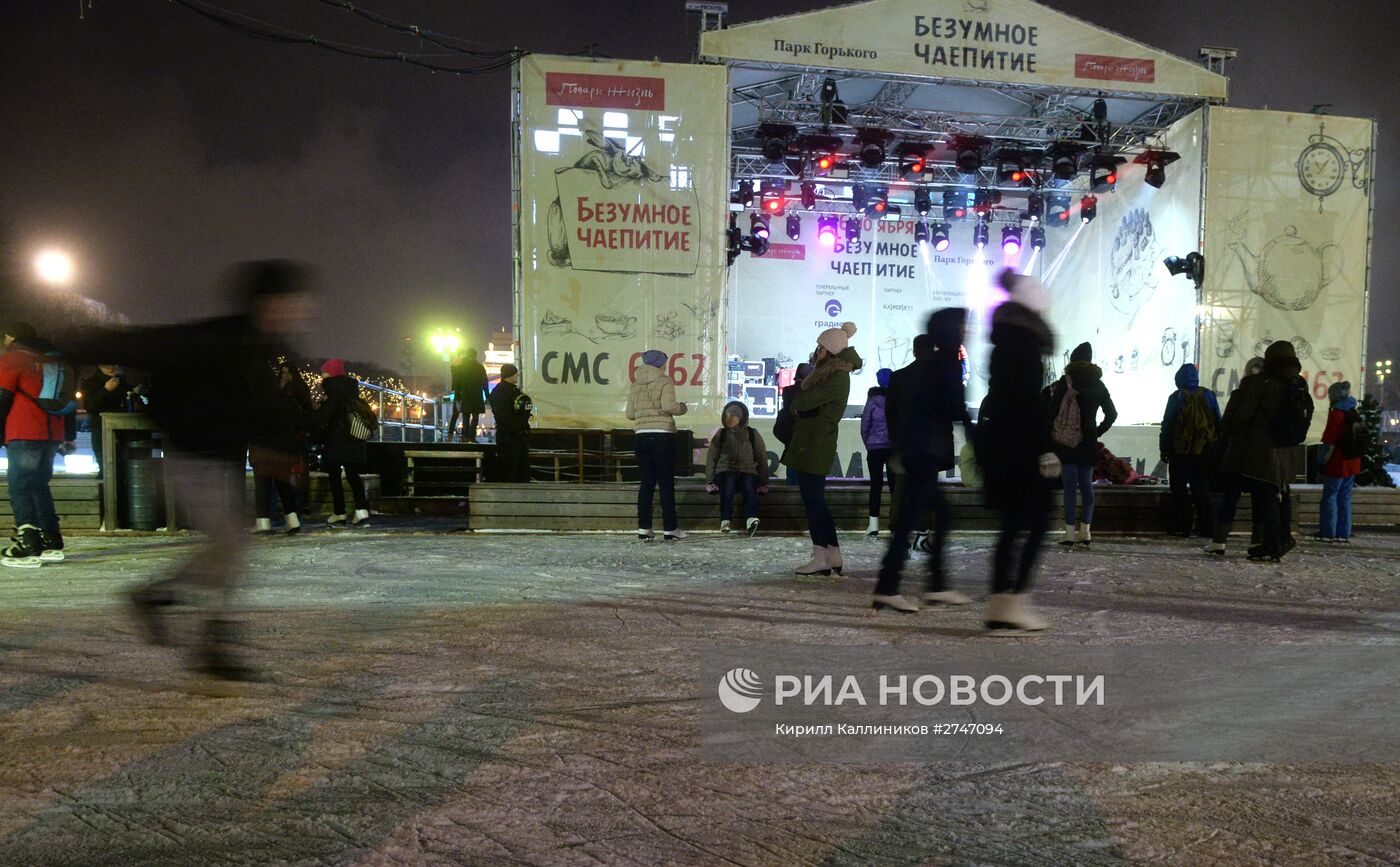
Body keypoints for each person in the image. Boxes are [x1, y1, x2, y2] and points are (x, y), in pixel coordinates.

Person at [63, 260, 316, 679]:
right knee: (231, 547)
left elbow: (262, 407)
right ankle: (208, 645)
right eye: (291, 302)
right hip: (189, 459)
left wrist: (279, 449)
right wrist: (74, 340)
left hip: (220, 460)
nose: (298, 312)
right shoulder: (216, 337)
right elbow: (145, 346)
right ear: (267, 302)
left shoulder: (261, 349)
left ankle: (157, 598)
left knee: (231, 549)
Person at [872, 309, 975, 614]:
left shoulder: (930, 367)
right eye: (962, 326)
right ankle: (914, 586)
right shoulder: (946, 365)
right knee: (928, 518)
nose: (967, 331)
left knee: (918, 519)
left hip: (916, 452)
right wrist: (978, 441)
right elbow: (956, 409)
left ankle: (899, 586)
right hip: (924, 453)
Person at [974, 270, 1058, 633]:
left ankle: (1002, 601)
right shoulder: (1022, 347)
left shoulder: (1007, 341)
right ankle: (1013, 599)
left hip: (1005, 448)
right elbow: (1024, 403)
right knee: (1037, 522)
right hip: (1020, 450)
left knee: (1012, 525)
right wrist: (1043, 448)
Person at [1210, 341, 1309, 562]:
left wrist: (1231, 429)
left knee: (1264, 499)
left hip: (1262, 452)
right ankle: (1279, 540)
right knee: (1281, 496)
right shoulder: (1298, 383)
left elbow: (1242, 416)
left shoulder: (1265, 383)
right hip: (1287, 453)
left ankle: (1269, 545)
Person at [781, 322, 861, 576]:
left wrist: (797, 400)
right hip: (813, 439)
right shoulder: (830, 372)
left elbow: (803, 402)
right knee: (815, 501)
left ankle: (822, 555)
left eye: (821, 347)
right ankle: (831, 555)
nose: (816, 351)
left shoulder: (834, 375)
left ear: (831, 351)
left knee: (813, 501)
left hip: (815, 441)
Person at [0, 324, 73, 568]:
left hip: (24, 432)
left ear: (12, 337)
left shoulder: (13, 359)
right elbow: (69, 399)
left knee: (20, 486)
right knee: (39, 485)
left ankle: (27, 542)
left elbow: (2, 397)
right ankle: (50, 540)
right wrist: (68, 434)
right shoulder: (54, 361)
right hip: (52, 433)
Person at [1044, 342, 1117, 548]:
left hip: (1066, 443)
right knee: (1086, 486)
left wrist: (1052, 432)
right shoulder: (1098, 385)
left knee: (1069, 488)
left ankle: (1068, 532)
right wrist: (1096, 432)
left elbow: (1050, 413)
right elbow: (1112, 414)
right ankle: (1085, 531)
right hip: (1088, 443)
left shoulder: (1065, 382)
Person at [1205, 356, 1265, 556]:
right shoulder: (1270, 395)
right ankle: (1257, 541)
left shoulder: (1240, 394)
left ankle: (1219, 540)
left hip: (1238, 454)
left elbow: (1227, 424)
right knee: (1259, 498)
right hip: (1260, 456)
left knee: (1230, 497)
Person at [626, 350, 687, 540]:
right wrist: (682, 408)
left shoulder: (635, 384)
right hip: (662, 436)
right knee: (666, 484)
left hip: (641, 436)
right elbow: (669, 406)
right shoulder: (665, 381)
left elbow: (630, 414)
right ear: (660, 364)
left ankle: (644, 528)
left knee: (647, 484)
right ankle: (670, 528)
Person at [1159, 363, 1221, 538]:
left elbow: (1168, 425)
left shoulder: (1176, 397)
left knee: (1179, 490)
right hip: (1203, 451)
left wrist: (1164, 449)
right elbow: (1217, 422)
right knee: (1201, 489)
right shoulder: (1208, 395)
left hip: (1179, 452)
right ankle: (1208, 526)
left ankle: (1183, 526)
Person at [250, 363, 310, 535]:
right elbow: (302, 419)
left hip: (262, 448)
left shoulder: (256, 400)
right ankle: (292, 520)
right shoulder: (286, 399)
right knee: (284, 484)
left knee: (262, 485)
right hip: (283, 448)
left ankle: (263, 523)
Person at [315, 359, 373, 528]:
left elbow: (323, 417)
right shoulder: (352, 391)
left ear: (331, 374)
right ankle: (362, 511)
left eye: (323, 372)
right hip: (354, 440)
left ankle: (339, 513)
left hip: (337, 441)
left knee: (334, 477)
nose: (321, 375)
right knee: (353, 476)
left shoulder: (333, 391)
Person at [704, 401, 769, 536]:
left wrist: (763, 481)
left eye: (733, 416)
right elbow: (712, 457)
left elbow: (761, 458)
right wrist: (710, 480)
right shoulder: (721, 434)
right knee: (729, 480)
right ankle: (725, 519)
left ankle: (750, 518)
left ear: (741, 418)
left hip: (748, 471)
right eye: (727, 415)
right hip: (725, 472)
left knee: (748, 483)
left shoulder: (752, 434)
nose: (729, 419)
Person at [1316, 380, 1361, 543]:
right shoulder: (1353, 412)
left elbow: (1330, 442)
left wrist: (1322, 462)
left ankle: (1328, 531)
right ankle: (1344, 531)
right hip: (1353, 461)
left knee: (1330, 496)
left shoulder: (1336, 414)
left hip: (1337, 462)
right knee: (1345, 497)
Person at [81, 363, 135, 474]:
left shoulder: (122, 382)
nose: (111, 368)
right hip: (101, 431)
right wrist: (105, 390)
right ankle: (105, 491)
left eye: (114, 364)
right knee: (106, 469)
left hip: (123, 431)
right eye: (106, 365)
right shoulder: (90, 383)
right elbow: (91, 407)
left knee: (125, 470)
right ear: (99, 365)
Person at [860, 368, 894, 537]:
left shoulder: (872, 400)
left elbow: (865, 425)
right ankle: (896, 524)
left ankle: (873, 525)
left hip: (875, 448)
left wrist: (869, 443)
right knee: (895, 487)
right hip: (893, 448)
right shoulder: (898, 399)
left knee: (876, 485)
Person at [489, 363, 533, 484]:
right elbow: (503, 415)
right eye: (515, 374)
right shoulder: (504, 392)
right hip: (510, 436)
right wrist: (519, 426)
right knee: (511, 469)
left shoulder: (502, 391)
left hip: (513, 434)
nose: (517, 376)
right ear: (510, 375)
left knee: (518, 469)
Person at [774, 362, 813, 486]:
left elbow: (778, 430)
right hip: (808, 445)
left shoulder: (787, 392)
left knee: (792, 481)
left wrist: (789, 440)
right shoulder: (812, 394)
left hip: (791, 444)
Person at [448, 348, 488, 442]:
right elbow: (485, 382)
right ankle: (472, 437)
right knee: (475, 416)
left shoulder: (461, 366)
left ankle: (464, 436)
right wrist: (487, 395)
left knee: (465, 415)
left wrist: (457, 395)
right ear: (475, 356)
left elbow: (457, 382)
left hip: (465, 393)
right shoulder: (479, 366)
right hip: (477, 394)